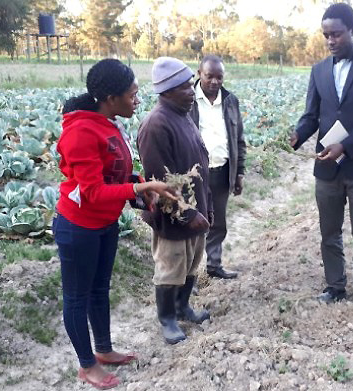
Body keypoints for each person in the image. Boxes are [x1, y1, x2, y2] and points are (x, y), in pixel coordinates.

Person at [55, 58, 177, 390]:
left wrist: (139, 186)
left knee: (99, 289)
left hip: (104, 223)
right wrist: (140, 188)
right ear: (111, 98)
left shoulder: (108, 122)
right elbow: (92, 191)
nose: (137, 100)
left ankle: (104, 349)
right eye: (132, 95)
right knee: (77, 297)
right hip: (78, 226)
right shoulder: (81, 131)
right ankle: (86, 365)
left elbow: (116, 172)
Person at [290, 3, 353, 309]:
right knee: (329, 233)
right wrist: (298, 134)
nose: (330, 41)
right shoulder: (319, 70)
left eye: (336, 34)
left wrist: (345, 146)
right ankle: (335, 286)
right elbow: (312, 115)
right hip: (327, 166)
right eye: (326, 35)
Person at [137, 57, 212, 345]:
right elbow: (160, 180)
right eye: (184, 87)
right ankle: (167, 318)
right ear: (166, 91)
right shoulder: (155, 125)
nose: (192, 91)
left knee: (191, 262)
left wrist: (206, 208)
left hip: (197, 208)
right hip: (174, 215)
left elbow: (200, 162)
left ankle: (183, 307)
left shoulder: (184, 115)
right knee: (171, 266)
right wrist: (187, 213)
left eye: (190, 85)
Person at [189, 54, 246, 280]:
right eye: (209, 76)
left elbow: (239, 139)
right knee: (193, 224)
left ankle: (214, 265)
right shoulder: (188, 100)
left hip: (222, 171)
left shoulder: (231, 101)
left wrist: (239, 172)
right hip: (195, 174)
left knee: (218, 222)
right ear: (199, 73)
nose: (214, 81)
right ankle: (187, 276)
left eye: (219, 77)